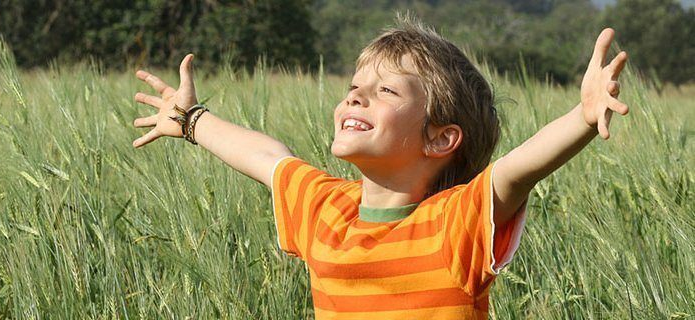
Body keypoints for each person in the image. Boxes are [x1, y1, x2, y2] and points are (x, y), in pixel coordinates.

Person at [129, 16, 628, 320]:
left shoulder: (455, 226)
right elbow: (267, 158)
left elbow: (515, 172)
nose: (355, 95)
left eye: (386, 91)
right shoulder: (326, 209)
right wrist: (192, 121)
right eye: (355, 85)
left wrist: (582, 117)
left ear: (440, 138)